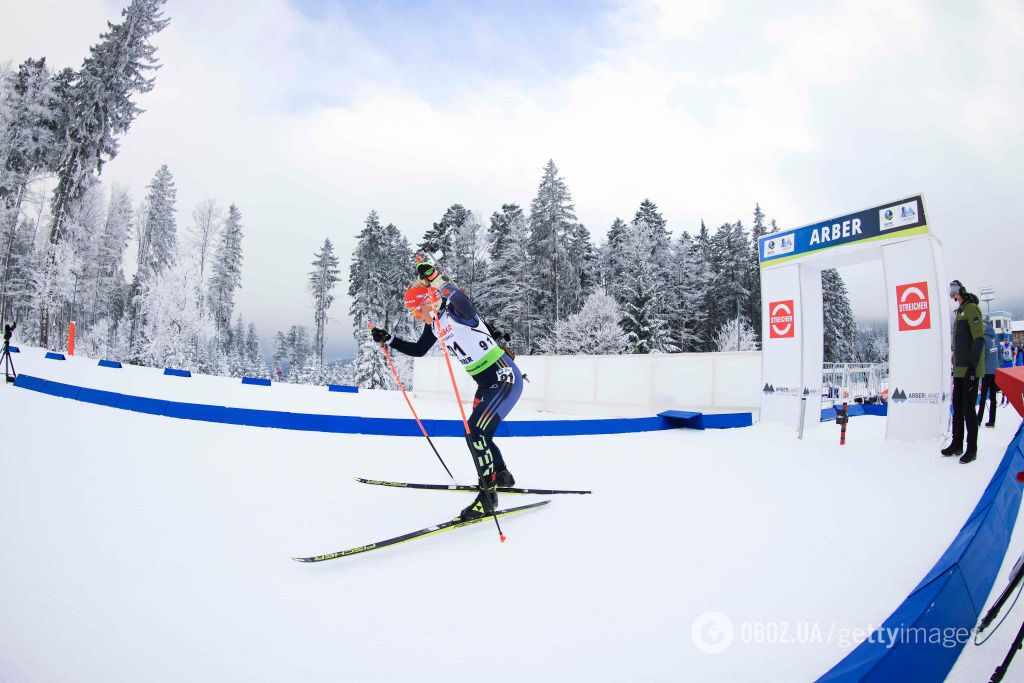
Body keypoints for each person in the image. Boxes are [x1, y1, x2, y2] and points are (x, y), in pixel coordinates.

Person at [370, 262, 523, 521]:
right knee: (476, 433)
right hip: (485, 383)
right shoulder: (435, 325)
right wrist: (390, 340)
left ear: (427, 302)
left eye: (415, 311)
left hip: (503, 375)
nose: (415, 317)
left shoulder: (455, 312)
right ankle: (501, 474)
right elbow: (419, 350)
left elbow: (463, 299)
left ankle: (488, 497)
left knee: (476, 431)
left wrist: (437, 280)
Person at [942, 280, 985, 463]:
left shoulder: (971, 309)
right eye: (952, 296)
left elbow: (978, 339)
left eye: (955, 295)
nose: (954, 299)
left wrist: (973, 367)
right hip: (959, 370)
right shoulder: (960, 312)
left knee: (968, 410)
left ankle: (972, 448)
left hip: (970, 369)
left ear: (960, 292)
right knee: (958, 409)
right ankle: (957, 444)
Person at [977, 315, 998, 428]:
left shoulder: (984, 339)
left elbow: (982, 356)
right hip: (996, 371)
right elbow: (998, 353)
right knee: (993, 398)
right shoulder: (994, 337)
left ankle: (979, 419)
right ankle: (992, 421)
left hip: (986, 372)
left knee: (984, 396)